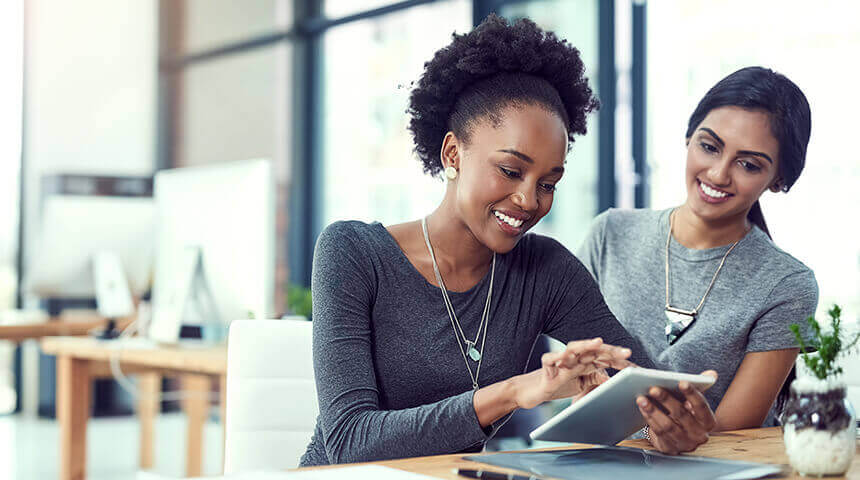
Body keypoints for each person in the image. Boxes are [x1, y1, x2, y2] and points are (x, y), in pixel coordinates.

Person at [299, 15, 716, 467]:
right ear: (453, 154)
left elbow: (635, 377)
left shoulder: (546, 270)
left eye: (548, 183)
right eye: (511, 171)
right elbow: (348, 440)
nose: (528, 199)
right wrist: (516, 392)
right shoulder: (353, 253)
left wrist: (666, 419)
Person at [576, 66, 817, 453]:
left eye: (749, 164)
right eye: (709, 146)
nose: (719, 174)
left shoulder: (787, 285)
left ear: (778, 179)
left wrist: (638, 434)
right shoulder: (610, 234)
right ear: (689, 138)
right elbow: (577, 385)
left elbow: (734, 434)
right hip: (595, 464)